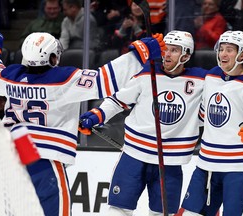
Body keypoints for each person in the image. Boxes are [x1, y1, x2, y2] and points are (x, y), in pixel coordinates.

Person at [0, 31, 165, 216]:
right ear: (52, 57)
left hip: (13, 154)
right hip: (43, 157)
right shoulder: (63, 79)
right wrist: (140, 53)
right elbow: (104, 80)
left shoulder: (9, 77)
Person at [78, 30, 206, 216]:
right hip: (134, 155)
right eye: (165, 49)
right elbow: (118, 101)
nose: (167, 54)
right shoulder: (146, 72)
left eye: (174, 50)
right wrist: (98, 115)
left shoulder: (201, 81)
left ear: (186, 55)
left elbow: (224, 91)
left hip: (170, 162)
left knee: (162, 213)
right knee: (118, 210)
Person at [179, 30, 243, 215]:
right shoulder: (211, 77)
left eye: (230, 50)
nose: (223, 54)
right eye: (221, 49)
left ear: (242, 54)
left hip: (239, 168)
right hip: (206, 164)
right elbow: (201, 114)